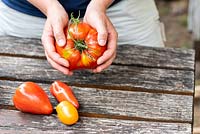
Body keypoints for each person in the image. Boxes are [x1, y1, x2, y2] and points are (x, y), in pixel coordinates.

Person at [0, 0, 165, 75]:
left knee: (156, 77)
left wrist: (100, 4)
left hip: (122, 8)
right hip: (25, 15)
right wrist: (49, 6)